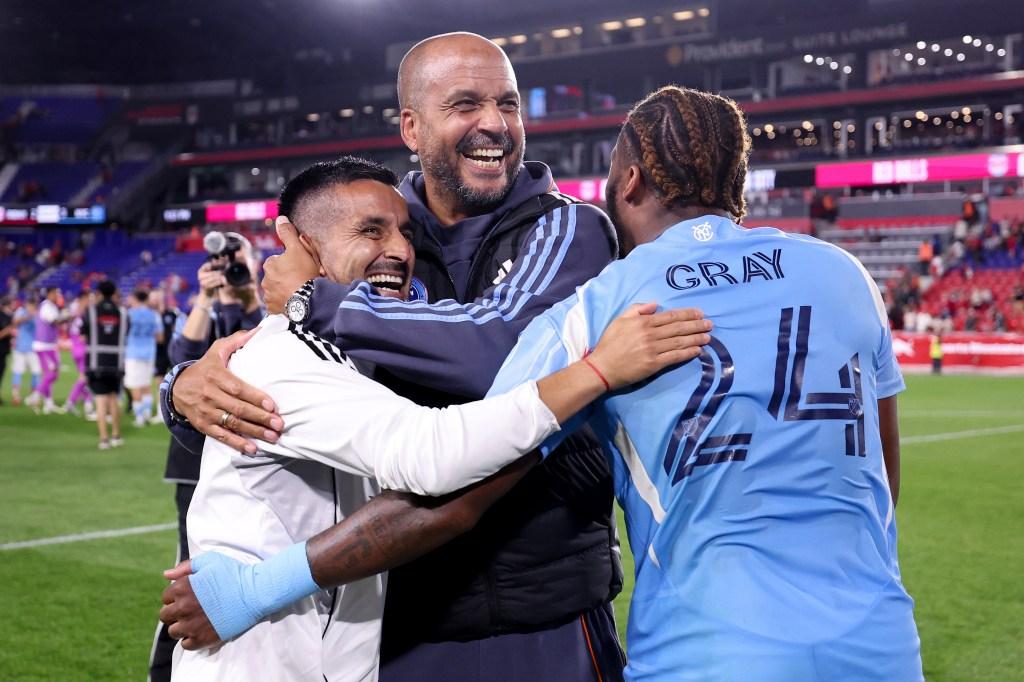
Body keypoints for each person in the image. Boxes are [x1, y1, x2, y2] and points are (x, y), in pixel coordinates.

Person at [164, 86, 922, 682]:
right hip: (876, 638)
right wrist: (182, 383)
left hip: (707, 649)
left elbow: (456, 490)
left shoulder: (608, 302)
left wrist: (256, 588)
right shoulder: (843, 276)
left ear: (627, 180)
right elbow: (883, 475)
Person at [164, 32, 630, 681]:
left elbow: (501, 348)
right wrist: (183, 385)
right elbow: (282, 354)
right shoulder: (369, 226)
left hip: (542, 615)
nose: (494, 124)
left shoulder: (566, 228)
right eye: (466, 104)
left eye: (509, 103)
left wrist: (314, 300)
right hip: (396, 622)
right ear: (412, 125)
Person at [148, 234, 264, 682]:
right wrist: (203, 297)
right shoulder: (201, 309)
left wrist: (246, 291)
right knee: (190, 578)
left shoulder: (268, 309)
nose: (232, 266)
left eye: (241, 259)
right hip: (195, 464)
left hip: (253, 460)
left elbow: (267, 343)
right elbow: (179, 361)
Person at [84, 280, 125, 449]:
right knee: (114, 399)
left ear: (99, 293)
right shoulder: (122, 312)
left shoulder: (91, 311)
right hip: (117, 363)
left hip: (96, 362)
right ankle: (116, 435)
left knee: (100, 401)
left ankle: (104, 439)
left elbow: (83, 332)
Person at [124, 289, 163, 427]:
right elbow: (160, 338)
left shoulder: (129, 314)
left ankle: (140, 417)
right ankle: (146, 413)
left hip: (133, 353)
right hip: (149, 352)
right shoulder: (154, 315)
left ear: (135, 299)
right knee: (146, 384)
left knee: (135, 385)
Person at [63, 289, 94, 416]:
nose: (91, 301)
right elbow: (83, 336)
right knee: (85, 378)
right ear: (84, 299)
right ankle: (70, 402)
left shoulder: (75, 313)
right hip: (83, 349)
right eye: (89, 299)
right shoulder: (84, 315)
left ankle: (88, 403)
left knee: (86, 378)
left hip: (75, 349)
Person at [33, 287, 63, 414]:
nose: (58, 295)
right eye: (56, 293)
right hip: (44, 346)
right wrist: (66, 316)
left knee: (50, 374)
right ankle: (36, 395)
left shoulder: (52, 306)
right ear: (50, 293)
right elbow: (53, 320)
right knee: (51, 374)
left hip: (49, 345)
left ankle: (48, 403)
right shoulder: (46, 306)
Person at [9, 298, 40, 406]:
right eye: (29, 305)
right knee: (17, 371)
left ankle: (34, 396)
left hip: (34, 347)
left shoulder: (38, 314)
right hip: (20, 347)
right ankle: (16, 395)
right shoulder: (21, 311)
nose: (31, 307)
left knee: (36, 372)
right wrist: (27, 317)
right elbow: (14, 322)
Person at [0, 297, 13, 403]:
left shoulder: (7, 317)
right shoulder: (3, 317)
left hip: (3, 351)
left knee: (1, 373)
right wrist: (7, 331)